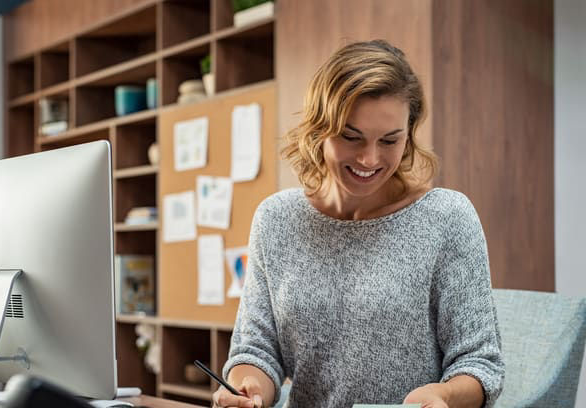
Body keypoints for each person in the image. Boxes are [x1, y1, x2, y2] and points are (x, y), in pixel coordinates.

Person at [214, 39, 504, 408]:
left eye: (389, 140)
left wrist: (443, 394)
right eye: (351, 137)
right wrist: (248, 389)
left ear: (409, 134)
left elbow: (481, 365)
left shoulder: (447, 218)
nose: (370, 158)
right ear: (320, 129)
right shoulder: (276, 220)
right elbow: (256, 351)